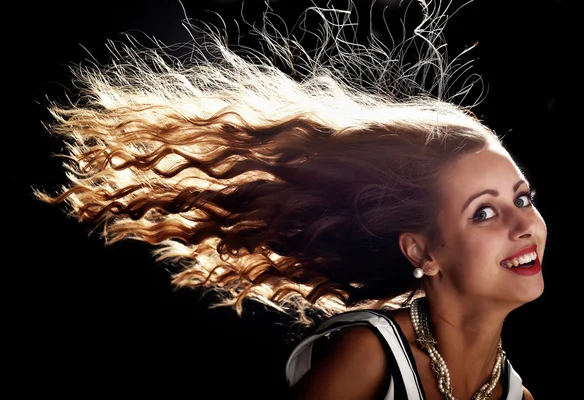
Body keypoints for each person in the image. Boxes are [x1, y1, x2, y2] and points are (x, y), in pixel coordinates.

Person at [34, 0, 545, 399]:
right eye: (483, 211)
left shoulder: (514, 394)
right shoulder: (371, 355)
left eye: (523, 199)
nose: (523, 225)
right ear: (422, 252)